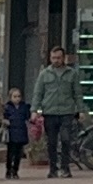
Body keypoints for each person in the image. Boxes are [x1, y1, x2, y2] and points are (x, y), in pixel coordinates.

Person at [30, 47, 84, 176]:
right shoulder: (44, 74)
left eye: (58, 58)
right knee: (51, 142)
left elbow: (78, 93)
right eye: (53, 58)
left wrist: (81, 110)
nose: (56, 60)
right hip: (50, 112)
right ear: (50, 58)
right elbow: (38, 93)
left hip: (67, 112)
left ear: (63, 58)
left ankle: (65, 168)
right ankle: (53, 169)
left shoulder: (72, 73)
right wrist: (34, 110)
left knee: (66, 140)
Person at [0, 88, 32, 180]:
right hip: (11, 133)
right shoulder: (7, 107)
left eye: (19, 96)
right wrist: (5, 121)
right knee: (10, 153)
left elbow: (28, 117)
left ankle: (15, 170)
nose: (17, 99)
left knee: (18, 154)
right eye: (15, 96)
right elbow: (2, 118)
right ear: (10, 97)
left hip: (21, 132)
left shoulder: (24, 107)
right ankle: (8, 170)